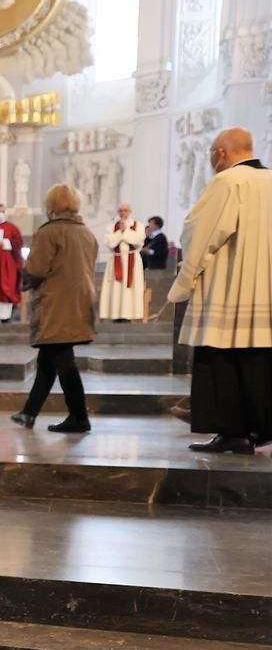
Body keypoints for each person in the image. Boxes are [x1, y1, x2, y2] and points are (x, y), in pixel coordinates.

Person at [170, 126, 272, 453]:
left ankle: (232, 432)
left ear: (221, 154)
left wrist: (184, 281)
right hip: (266, 291)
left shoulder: (227, 182)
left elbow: (202, 234)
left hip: (231, 290)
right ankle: (259, 429)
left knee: (222, 358)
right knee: (258, 362)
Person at [12, 184, 98, 434]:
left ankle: (79, 417)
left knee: (63, 360)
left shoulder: (49, 232)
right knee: (48, 360)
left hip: (56, 304)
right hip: (79, 302)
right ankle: (28, 413)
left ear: (51, 207)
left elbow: (36, 269)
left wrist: (23, 280)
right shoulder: (86, 233)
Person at [102, 203, 145, 322]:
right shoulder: (111, 227)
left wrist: (125, 231)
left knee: (130, 289)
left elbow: (139, 241)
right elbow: (110, 243)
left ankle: (129, 315)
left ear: (130, 212)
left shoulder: (138, 225)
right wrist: (120, 232)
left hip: (132, 261)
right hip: (117, 260)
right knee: (116, 289)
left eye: (126, 211)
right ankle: (116, 315)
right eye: (121, 211)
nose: (123, 213)